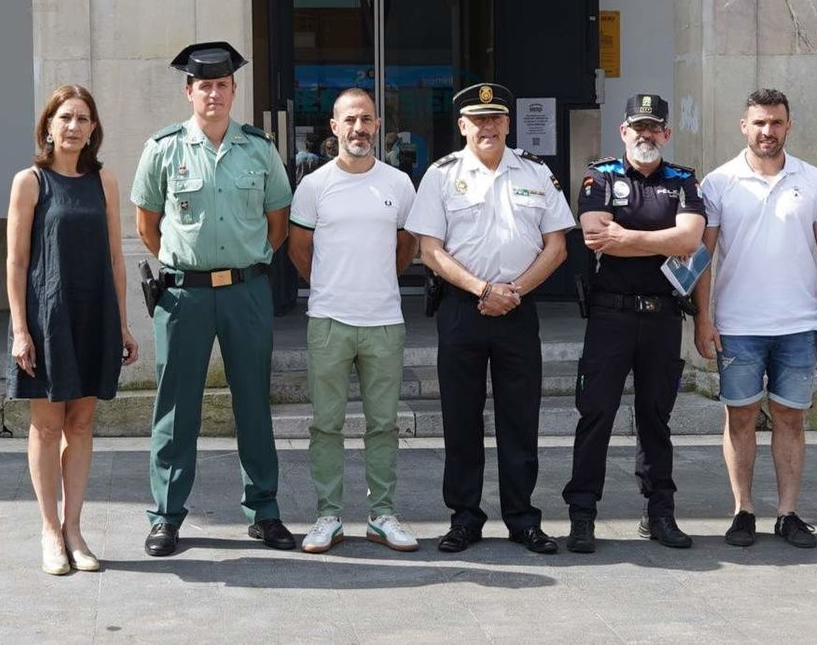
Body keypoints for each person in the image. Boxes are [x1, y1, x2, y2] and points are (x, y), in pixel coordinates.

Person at [130, 41, 296, 557]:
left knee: (253, 403)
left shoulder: (259, 148)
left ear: (233, 90)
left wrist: (248, 264)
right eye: (204, 86)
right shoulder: (163, 148)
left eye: (222, 86)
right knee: (176, 409)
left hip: (246, 291)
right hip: (185, 297)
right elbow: (147, 225)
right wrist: (187, 266)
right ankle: (166, 516)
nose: (214, 95)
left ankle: (264, 512)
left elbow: (278, 221)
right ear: (189, 92)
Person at [405, 82, 576, 554]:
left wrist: (512, 292)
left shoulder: (537, 173)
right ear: (462, 126)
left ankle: (522, 518)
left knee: (520, 419)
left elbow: (557, 246)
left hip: (518, 310)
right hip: (463, 309)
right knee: (461, 419)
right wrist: (483, 289)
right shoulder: (441, 175)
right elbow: (429, 251)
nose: (487, 127)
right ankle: (464, 518)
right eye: (478, 121)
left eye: (495, 119)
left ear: (507, 123)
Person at [692, 88, 817, 549]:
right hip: (737, 325)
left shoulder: (814, 180)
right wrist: (703, 318)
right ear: (744, 126)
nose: (767, 131)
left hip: (799, 324)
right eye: (759, 122)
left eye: (776, 122)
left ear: (788, 125)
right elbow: (704, 255)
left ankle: (788, 513)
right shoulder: (719, 183)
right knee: (738, 418)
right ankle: (743, 511)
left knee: (790, 419)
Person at [561, 94, 706, 553]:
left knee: (655, 418)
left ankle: (659, 512)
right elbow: (595, 236)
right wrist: (662, 241)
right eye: (637, 127)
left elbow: (691, 238)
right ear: (623, 132)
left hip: (662, 316)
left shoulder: (683, 179)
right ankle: (582, 515)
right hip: (611, 315)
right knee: (596, 414)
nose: (646, 135)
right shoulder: (600, 176)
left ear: (666, 133)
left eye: (654, 127)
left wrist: (627, 236)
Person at [6, 84, 139, 575]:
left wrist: (122, 325)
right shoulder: (30, 181)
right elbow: (16, 261)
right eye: (65, 117)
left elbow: (115, 259)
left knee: (82, 424)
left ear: (93, 129)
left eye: (83, 118)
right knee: (46, 424)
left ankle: (74, 530)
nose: (74, 126)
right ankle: (48, 530)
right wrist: (21, 329)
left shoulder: (103, 181)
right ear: (48, 125)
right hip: (46, 317)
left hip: (94, 314)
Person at [288, 88, 420, 553]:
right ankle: (329, 515)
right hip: (328, 320)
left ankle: (382, 514)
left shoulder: (399, 184)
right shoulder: (313, 185)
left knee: (383, 422)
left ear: (378, 126)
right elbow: (299, 251)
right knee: (326, 423)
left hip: (384, 320)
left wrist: (376, 279)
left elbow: (407, 246)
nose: (358, 128)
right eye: (350, 120)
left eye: (366, 119)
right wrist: (331, 285)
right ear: (334, 126)